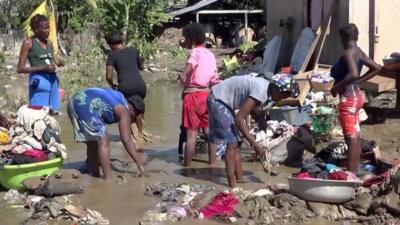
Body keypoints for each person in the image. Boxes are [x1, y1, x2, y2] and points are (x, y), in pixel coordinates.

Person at [207, 74, 299, 187]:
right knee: (232, 143)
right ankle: (232, 184)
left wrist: (261, 121)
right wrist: (254, 144)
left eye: (285, 96)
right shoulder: (261, 91)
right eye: (282, 95)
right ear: (275, 88)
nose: (282, 98)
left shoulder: (266, 90)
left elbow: (251, 108)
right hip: (218, 99)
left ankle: (239, 178)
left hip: (225, 100)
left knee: (238, 142)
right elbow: (239, 118)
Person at [330, 23, 381, 173]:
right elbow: (377, 68)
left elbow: (353, 73)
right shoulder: (358, 51)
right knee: (355, 134)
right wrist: (359, 82)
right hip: (357, 94)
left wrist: (336, 87)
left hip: (349, 97)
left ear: (343, 38)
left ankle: (351, 176)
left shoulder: (348, 53)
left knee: (351, 138)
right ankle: (355, 170)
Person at [67, 87, 146, 180]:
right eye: (134, 118)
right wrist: (141, 166)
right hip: (86, 104)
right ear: (133, 110)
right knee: (104, 140)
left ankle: (95, 176)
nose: (131, 121)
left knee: (92, 143)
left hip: (74, 102)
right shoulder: (124, 111)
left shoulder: (119, 96)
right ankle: (108, 180)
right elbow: (126, 140)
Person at [178, 23, 220, 167]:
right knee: (209, 132)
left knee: (191, 135)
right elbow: (215, 78)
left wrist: (183, 74)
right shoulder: (210, 54)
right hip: (207, 95)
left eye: (186, 38)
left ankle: (187, 169)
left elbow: (191, 63)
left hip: (193, 96)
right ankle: (212, 164)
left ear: (191, 38)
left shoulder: (195, 52)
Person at [105, 33, 147, 141]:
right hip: (140, 86)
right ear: (122, 42)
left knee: (129, 110)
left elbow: (108, 76)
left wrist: (113, 85)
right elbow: (142, 67)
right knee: (137, 107)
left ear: (110, 45)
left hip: (126, 87)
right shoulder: (133, 50)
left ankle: (134, 136)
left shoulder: (112, 55)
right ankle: (141, 133)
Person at [17, 14, 60, 112]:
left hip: (53, 82)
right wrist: (43, 68)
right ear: (36, 29)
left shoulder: (49, 43)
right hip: (39, 83)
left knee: (54, 114)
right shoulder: (28, 43)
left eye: (48, 27)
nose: (48, 30)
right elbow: (20, 69)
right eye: (45, 28)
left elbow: (51, 62)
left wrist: (57, 63)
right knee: (39, 116)